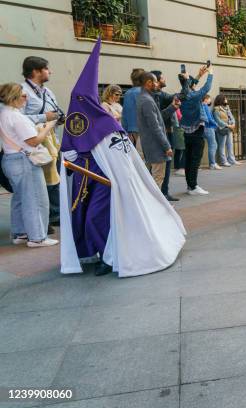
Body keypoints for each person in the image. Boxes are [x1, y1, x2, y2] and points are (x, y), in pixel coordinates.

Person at [59, 39, 186, 278]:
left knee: (95, 218)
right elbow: (70, 150)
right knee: (85, 216)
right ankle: (94, 252)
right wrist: (68, 155)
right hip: (84, 181)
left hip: (108, 181)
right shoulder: (76, 124)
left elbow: (123, 157)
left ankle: (109, 257)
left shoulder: (107, 124)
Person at [0, 82, 58, 247]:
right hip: (24, 160)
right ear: (14, 97)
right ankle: (38, 237)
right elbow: (33, 141)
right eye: (24, 96)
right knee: (36, 198)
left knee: (19, 198)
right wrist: (47, 127)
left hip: (10, 159)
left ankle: (21, 233)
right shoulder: (16, 116)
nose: (26, 99)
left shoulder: (3, 112)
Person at [21, 56, 62, 231]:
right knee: (41, 183)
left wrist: (59, 118)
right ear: (36, 71)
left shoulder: (48, 92)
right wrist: (43, 117)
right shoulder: (21, 91)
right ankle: (43, 220)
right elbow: (17, 118)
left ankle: (55, 215)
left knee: (54, 180)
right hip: (34, 144)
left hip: (51, 141)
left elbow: (56, 113)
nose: (50, 71)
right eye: (46, 68)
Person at [136, 72, 178, 190]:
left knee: (153, 179)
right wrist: (166, 146)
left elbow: (158, 117)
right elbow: (155, 127)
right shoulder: (147, 100)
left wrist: (173, 107)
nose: (157, 84)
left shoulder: (145, 98)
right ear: (149, 83)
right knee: (157, 179)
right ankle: (155, 207)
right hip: (155, 147)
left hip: (151, 145)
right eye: (155, 81)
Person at [179, 65, 214, 195]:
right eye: (189, 78)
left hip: (187, 131)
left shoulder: (182, 95)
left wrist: (199, 75)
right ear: (188, 83)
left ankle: (190, 186)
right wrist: (210, 73)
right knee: (195, 160)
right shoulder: (193, 96)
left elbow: (190, 85)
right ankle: (193, 187)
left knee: (189, 159)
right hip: (197, 131)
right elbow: (206, 88)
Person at [151, 70, 181, 201]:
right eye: (162, 78)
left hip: (168, 132)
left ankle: (164, 192)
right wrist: (173, 108)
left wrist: (185, 81)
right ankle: (158, 195)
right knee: (159, 167)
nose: (164, 79)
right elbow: (159, 117)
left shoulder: (162, 95)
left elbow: (181, 96)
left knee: (167, 165)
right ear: (156, 81)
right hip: (159, 135)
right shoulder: (152, 97)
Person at [121, 68, 145, 149]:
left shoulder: (128, 93)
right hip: (142, 131)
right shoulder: (142, 92)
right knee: (141, 158)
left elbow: (124, 114)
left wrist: (124, 130)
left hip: (129, 131)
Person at [213, 94, 239, 166]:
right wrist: (228, 125)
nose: (226, 100)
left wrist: (233, 123)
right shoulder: (216, 109)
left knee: (230, 145)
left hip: (229, 129)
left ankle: (231, 160)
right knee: (222, 146)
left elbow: (231, 117)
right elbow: (218, 120)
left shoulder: (227, 107)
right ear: (221, 100)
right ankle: (223, 161)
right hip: (222, 129)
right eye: (225, 99)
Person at [200, 94, 219, 170]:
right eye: (209, 99)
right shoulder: (205, 106)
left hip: (205, 128)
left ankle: (212, 163)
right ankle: (212, 163)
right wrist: (216, 124)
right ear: (206, 99)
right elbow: (209, 118)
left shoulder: (202, 106)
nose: (210, 100)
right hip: (209, 127)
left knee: (213, 145)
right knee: (213, 145)